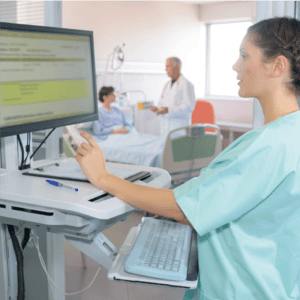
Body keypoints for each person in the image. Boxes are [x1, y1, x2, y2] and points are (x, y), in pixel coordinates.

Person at [75, 17, 300, 300]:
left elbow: (181, 208)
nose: (235, 65)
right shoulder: (290, 134)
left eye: (244, 56)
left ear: (278, 66)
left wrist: (102, 176)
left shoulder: (266, 146)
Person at [149, 57, 195, 137]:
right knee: (165, 147)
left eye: (168, 66)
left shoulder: (186, 84)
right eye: (166, 67)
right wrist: (158, 109)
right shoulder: (166, 85)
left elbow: (188, 107)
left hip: (179, 129)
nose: (166, 69)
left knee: (176, 148)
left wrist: (168, 110)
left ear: (177, 67)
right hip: (165, 128)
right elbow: (161, 102)